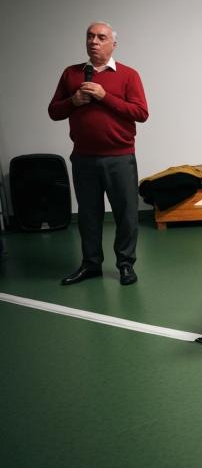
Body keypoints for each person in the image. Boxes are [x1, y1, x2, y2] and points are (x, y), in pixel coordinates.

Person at [48, 22, 149, 286]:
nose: (94, 41)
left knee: (126, 215)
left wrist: (105, 96)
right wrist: (73, 102)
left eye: (101, 37)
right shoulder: (71, 74)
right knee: (88, 215)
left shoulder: (128, 75)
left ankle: (125, 265)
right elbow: (53, 111)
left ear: (113, 44)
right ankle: (91, 264)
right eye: (90, 36)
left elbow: (141, 113)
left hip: (120, 158)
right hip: (83, 158)